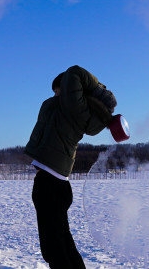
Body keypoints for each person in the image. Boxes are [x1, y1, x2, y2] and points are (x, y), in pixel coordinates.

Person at [25, 65, 117, 269]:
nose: (55, 96)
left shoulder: (71, 105)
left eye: (57, 91)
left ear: (67, 90)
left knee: (54, 247)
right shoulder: (77, 111)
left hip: (49, 183)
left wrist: (98, 89)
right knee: (63, 243)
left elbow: (74, 71)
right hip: (57, 183)